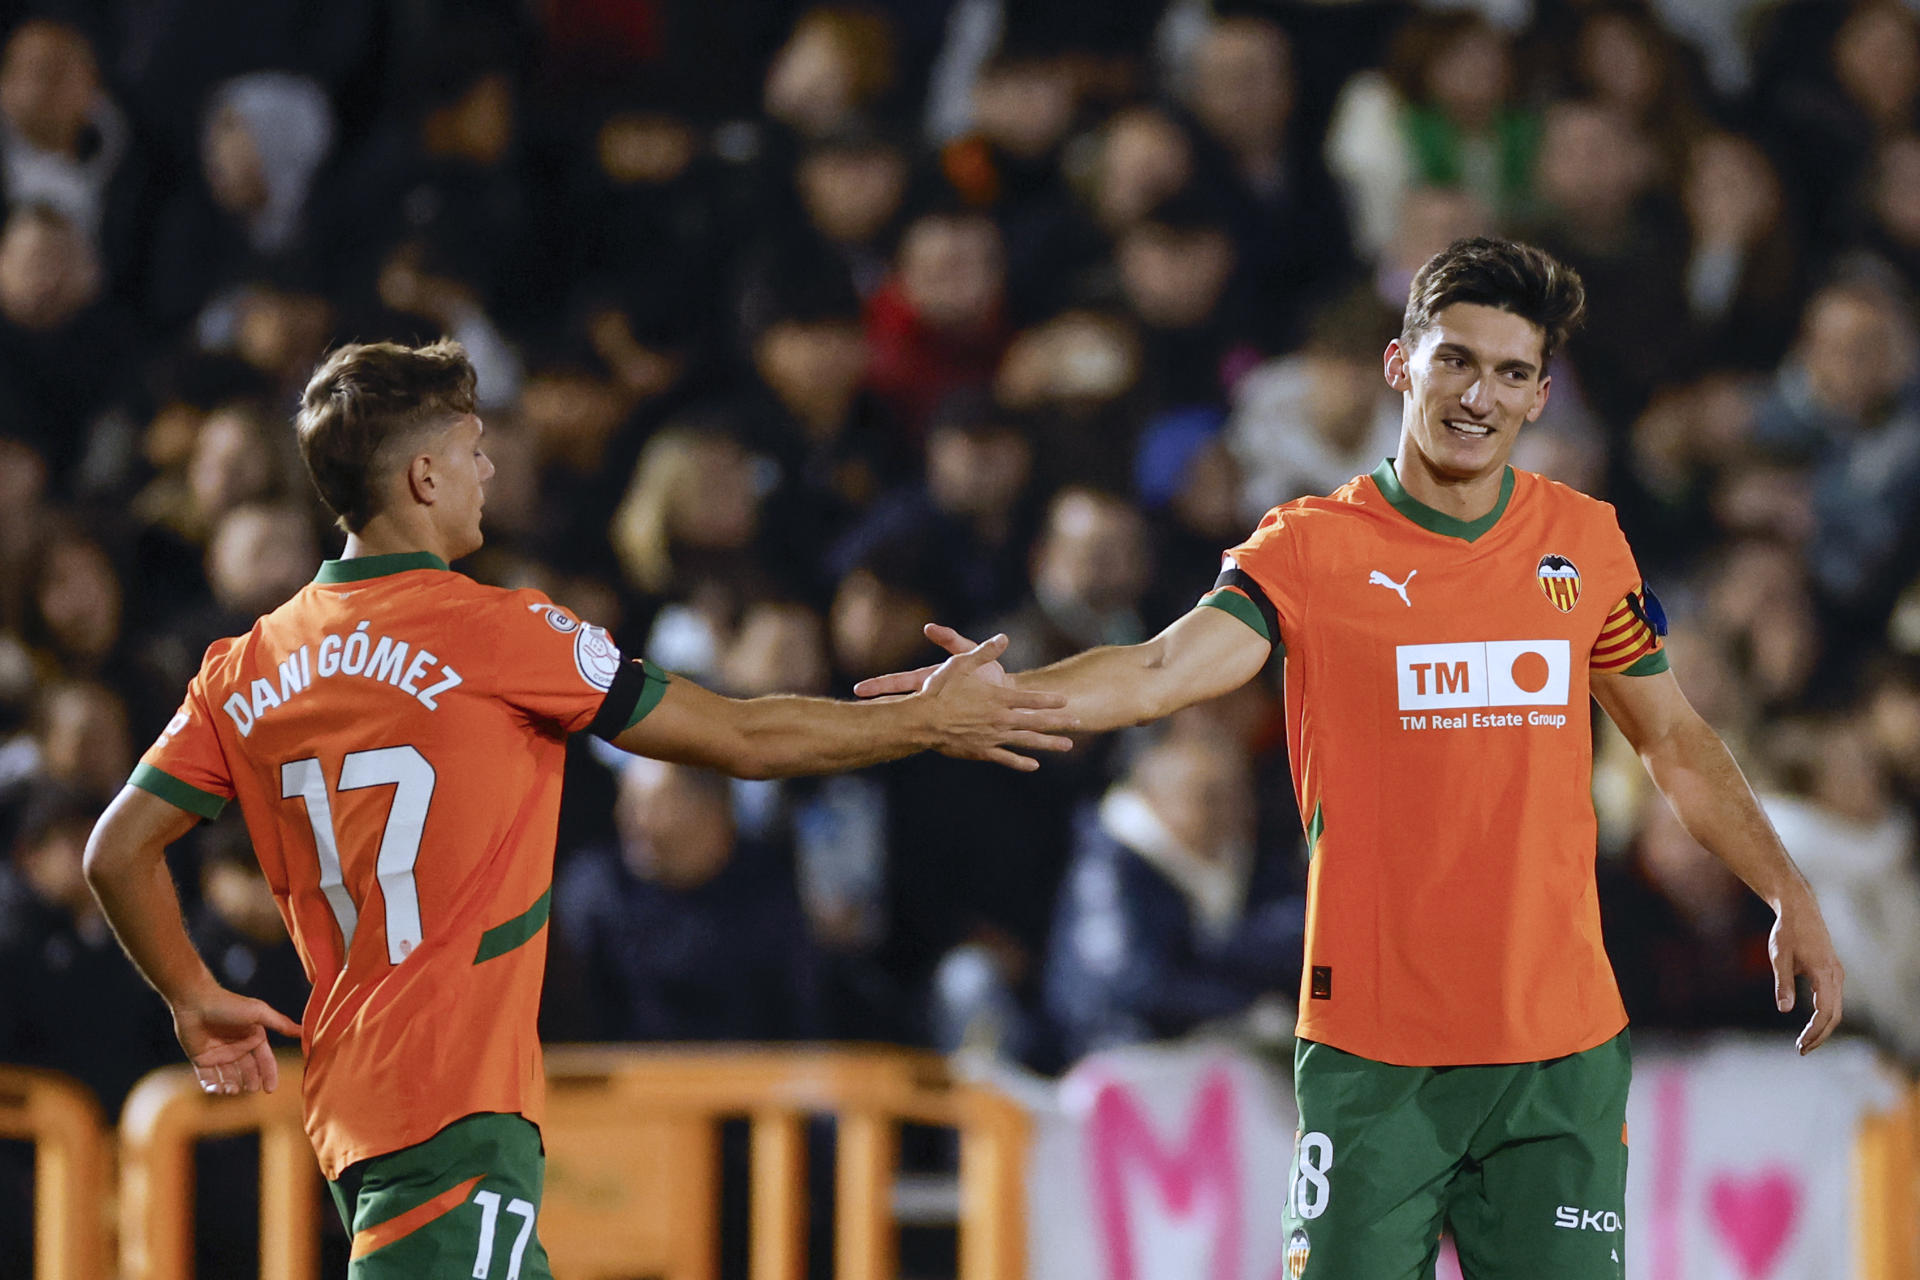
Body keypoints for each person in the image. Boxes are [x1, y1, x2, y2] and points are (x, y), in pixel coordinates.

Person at [858, 238, 1846, 1278]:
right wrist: (1006, 698)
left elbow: (1675, 737)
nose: (1481, 394)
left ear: (1542, 395)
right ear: (1399, 364)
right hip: (1376, 1054)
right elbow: (1160, 670)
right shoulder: (1310, 548)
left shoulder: (1584, 541)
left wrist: (1785, 885)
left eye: (1513, 372)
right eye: (1457, 360)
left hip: (1558, 1053)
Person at [81, 338, 1075, 1278]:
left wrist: (191, 993)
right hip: (453, 1101)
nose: (491, 473)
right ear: (422, 477)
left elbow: (117, 850)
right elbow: (741, 738)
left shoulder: (244, 666)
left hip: (363, 1096)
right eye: (473, 452)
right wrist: (927, 720)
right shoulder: (500, 633)